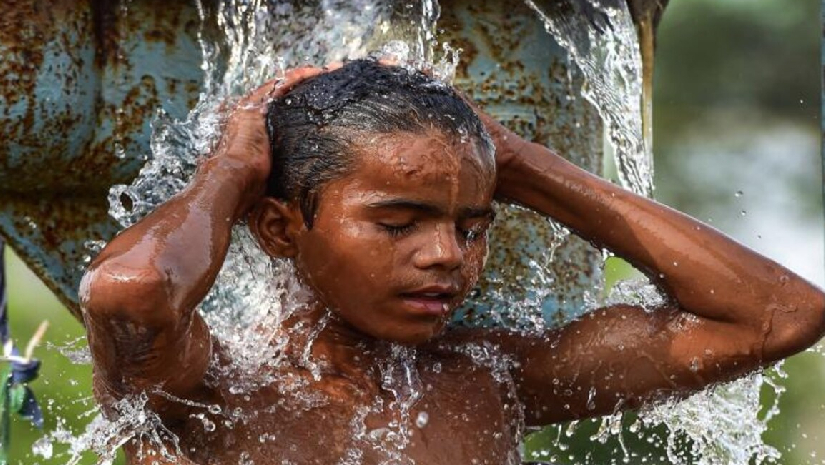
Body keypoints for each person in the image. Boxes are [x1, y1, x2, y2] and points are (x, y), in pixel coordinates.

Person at [80, 60, 825, 465]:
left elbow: (778, 313)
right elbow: (131, 287)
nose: (446, 255)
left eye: (473, 226)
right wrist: (234, 167)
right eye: (398, 222)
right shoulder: (201, 389)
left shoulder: (491, 380)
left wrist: (522, 164)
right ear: (277, 226)